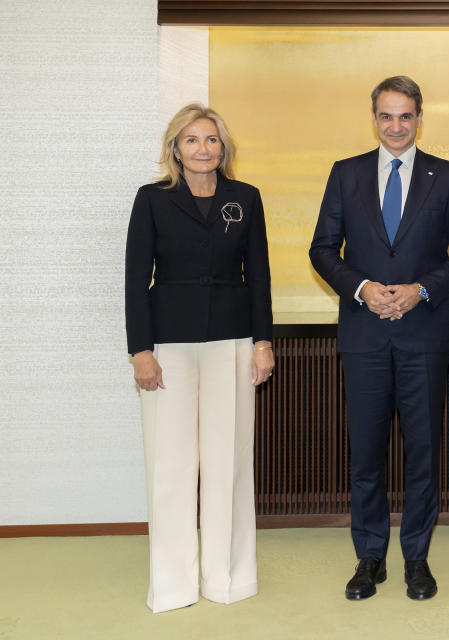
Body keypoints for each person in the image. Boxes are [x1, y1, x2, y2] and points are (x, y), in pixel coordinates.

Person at [309, 76, 449, 601]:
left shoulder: (445, 176)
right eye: (386, 116)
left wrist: (421, 291)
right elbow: (322, 249)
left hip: (423, 335)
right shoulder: (346, 174)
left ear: (419, 118)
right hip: (363, 336)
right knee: (365, 454)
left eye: (405, 116)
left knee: (423, 453)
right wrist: (361, 288)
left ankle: (417, 558)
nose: (396, 125)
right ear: (374, 118)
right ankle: (369, 558)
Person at [125, 103, 274, 613]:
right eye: (192, 140)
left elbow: (260, 277)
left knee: (228, 462)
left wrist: (262, 341)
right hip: (169, 341)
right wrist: (141, 350)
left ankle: (227, 577)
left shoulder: (246, 198)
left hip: (232, 341)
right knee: (171, 463)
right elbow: (135, 281)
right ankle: (173, 584)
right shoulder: (152, 199)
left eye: (211, 140)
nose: (203, 149)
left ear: (223, 148)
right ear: (176, 149)